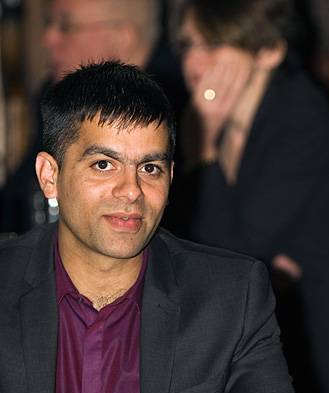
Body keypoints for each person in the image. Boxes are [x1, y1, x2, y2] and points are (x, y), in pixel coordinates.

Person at [0, 61, 300, 393]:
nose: (132, 191)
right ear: (50, 176)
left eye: (150, 168)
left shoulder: (231, 298)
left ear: (170, 178)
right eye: (103, 165)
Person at [173, 0, 329, 393]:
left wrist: (207, 142)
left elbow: (228, 255)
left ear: (269, 52)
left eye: (216, 44)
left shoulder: (300, 117)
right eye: (190, 44)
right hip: (303, 332)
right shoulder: (231, 122)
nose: (194, 60)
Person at [0, 0, 188, 234]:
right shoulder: (60, 101)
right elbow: (16, 203)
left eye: (65, 26)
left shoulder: (182, 112)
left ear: (121, 38)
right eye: (103, 165)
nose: (48, 39)